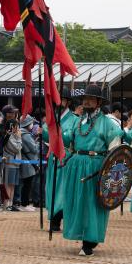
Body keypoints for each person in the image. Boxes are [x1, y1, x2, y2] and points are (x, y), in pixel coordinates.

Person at [60, 83, 125, 256]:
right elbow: (68, 142)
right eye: (85, 99)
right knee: (77, 202)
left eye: (90, 99)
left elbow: (115, 146)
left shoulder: (107, 123)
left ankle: (90, 240)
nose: (86, 102)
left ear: (98, 102)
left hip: (95, 166)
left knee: (92, 203)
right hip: (76, 166)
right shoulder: (78, 121)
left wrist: (107, 168)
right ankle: (81, 234)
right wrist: (54, 131)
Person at [45, 99, 81, 232]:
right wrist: (44, 132)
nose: (59, 102)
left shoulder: (75, 119)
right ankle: (54, 217)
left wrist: (59, 134)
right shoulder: (52, 117)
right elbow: (46, 133)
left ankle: (58, 217)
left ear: (68, 102)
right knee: (52, 188)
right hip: (53, 156)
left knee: (63, 188)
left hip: (66, 157)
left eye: (63, 100)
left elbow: (73, 138)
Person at [17, 114, 39, 212]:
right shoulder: (26, 135)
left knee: (27, 184)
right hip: (28, 162)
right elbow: (34, 149)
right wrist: (38, 143)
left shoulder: (23, 133)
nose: (32, 125)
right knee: (27, 184)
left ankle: (25, 203)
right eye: (31, 123)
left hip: (28, 161)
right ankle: (24, 204)